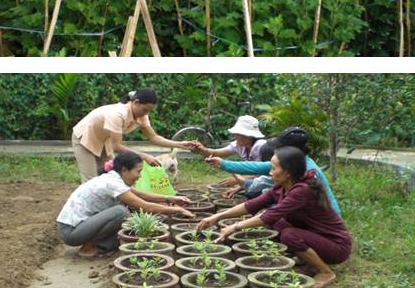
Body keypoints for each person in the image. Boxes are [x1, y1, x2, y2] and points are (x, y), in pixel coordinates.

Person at [198, 146, 351, 288]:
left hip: (336, 246)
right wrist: (218, 216)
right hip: (317, 236)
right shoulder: (282, 187)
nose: (270, 172)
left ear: (288, 172)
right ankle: (307, 259)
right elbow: (251, 205)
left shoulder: (302, 190)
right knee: (278, 224)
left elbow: (269, 215)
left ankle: (325, 272)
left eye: (273, 168)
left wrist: (234, 227)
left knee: (289, 235)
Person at [57, 153, 195, 257]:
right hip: (71, 232)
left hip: (79, 226)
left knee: (122, 221)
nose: (140, 176)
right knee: (121, 212)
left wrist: (169, 198)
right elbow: (144, 206)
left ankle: (102, 245)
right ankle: (88, 248)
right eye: (138, 171)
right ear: (124, 170)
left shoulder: (115, 178)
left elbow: (141, 195)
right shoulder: (113, 183)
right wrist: (177, 211)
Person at [205, 126, 341, 216]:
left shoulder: (308, 171)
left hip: (322, 216)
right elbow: (255, 167)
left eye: (279, 148)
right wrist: (223, 163)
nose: (276, 151)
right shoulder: (292, 162)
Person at [71, 88, 199, 183]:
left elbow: (154, 137)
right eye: (145, 110)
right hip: (84, 138)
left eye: (149, 111)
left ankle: (109, 207)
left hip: (104, 141)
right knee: (90, 181)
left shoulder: (141, 114)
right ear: (136, 102)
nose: (146, 114)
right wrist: (144, 156)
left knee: (113, 176)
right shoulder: (118, 114)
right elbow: (117, 146)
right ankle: (86, 215)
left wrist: (180, 144)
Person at [194, 115, 267, 160]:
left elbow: (263, 172)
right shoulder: (239, 145)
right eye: (237, 133)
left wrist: (241, 180)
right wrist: (202, 149)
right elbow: (216, 153)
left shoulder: (260, 146)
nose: (237, 136)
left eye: (241, 134)